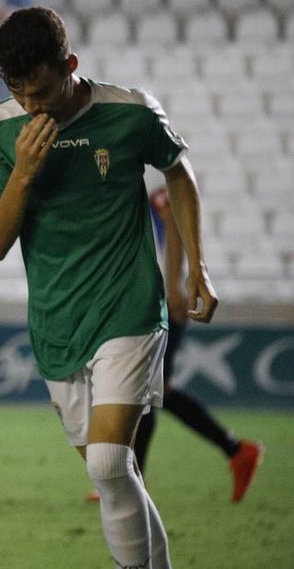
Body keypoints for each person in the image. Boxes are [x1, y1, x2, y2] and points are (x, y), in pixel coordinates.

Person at [0, 6, 219, 569]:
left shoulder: (130, 113)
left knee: (110, 461)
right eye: (19, 92)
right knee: (114, 474)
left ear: (71, 66)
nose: (32, 106)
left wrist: (196, 268)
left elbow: (178, 174)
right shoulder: (1, 129)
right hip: (58, 320)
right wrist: (23, 173)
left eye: (41, 91)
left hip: (129, 305)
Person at [82, 185, 263, 504]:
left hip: (162, 301)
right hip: (151, 299)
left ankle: (233, 450)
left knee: (152, 390)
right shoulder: (138, 184)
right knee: (151, 392)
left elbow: (173, 228)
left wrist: (174, 289)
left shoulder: (153, 186)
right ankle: (230, 451)